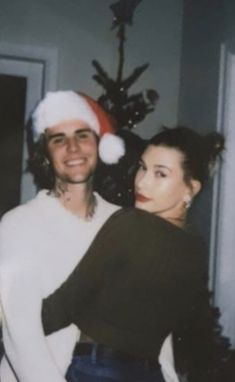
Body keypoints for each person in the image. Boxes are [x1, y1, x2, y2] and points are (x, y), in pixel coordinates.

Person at [42, 126, 226, 382]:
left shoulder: (131, 224)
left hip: (99, 370)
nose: (141, 181)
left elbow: (64, 306)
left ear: (190, 189)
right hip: (149, 374)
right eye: (142, 167)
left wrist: (10, 324)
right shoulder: (196, 247)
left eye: (160, 174)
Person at [0, 90, 125, 382]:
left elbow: (148, 321)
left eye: (82, 135)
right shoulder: (18, 225)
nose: (72, 148)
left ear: (98, 143)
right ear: (46, 154)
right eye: (58, 139)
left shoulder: (122, 223)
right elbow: (22, 338)